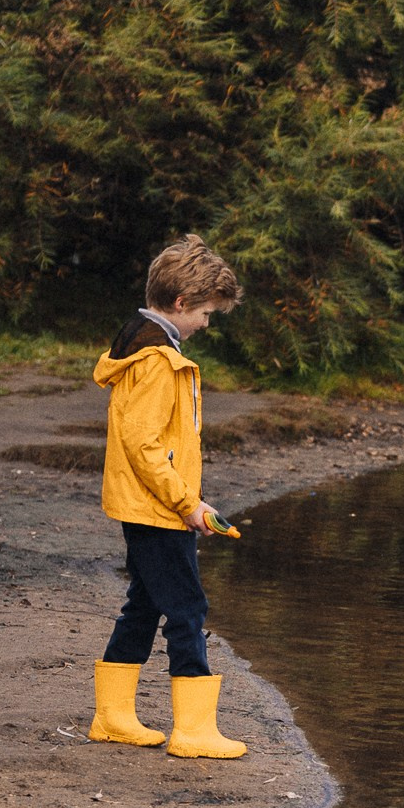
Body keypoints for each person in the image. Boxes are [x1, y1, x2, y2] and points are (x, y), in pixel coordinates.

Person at [87, 234, 248, 759]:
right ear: (181, 304)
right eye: (205, 312)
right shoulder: (157, 360)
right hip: (157, 509)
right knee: (187, 607)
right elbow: (144, 446)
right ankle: (194, 731)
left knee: (146, 602)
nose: (207, 323)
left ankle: (113, 717)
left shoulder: (148, 346)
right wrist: (189, 504)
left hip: (151, 505)